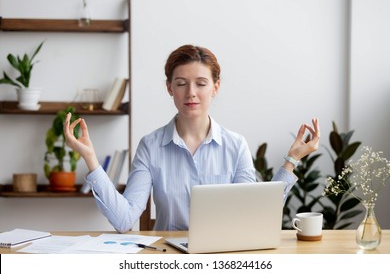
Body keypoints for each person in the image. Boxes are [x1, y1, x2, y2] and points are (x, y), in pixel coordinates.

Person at [64, 44, 320, 232]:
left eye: (201, 83)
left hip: (223, 258)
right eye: (181, 83)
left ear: (215, 87)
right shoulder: (150, 146)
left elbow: (255, 213)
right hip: (168, 259)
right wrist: (90, 158)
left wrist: (292, 159)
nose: (191, 93)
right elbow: (123, 220)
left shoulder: (235, 145)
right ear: (169, 88)